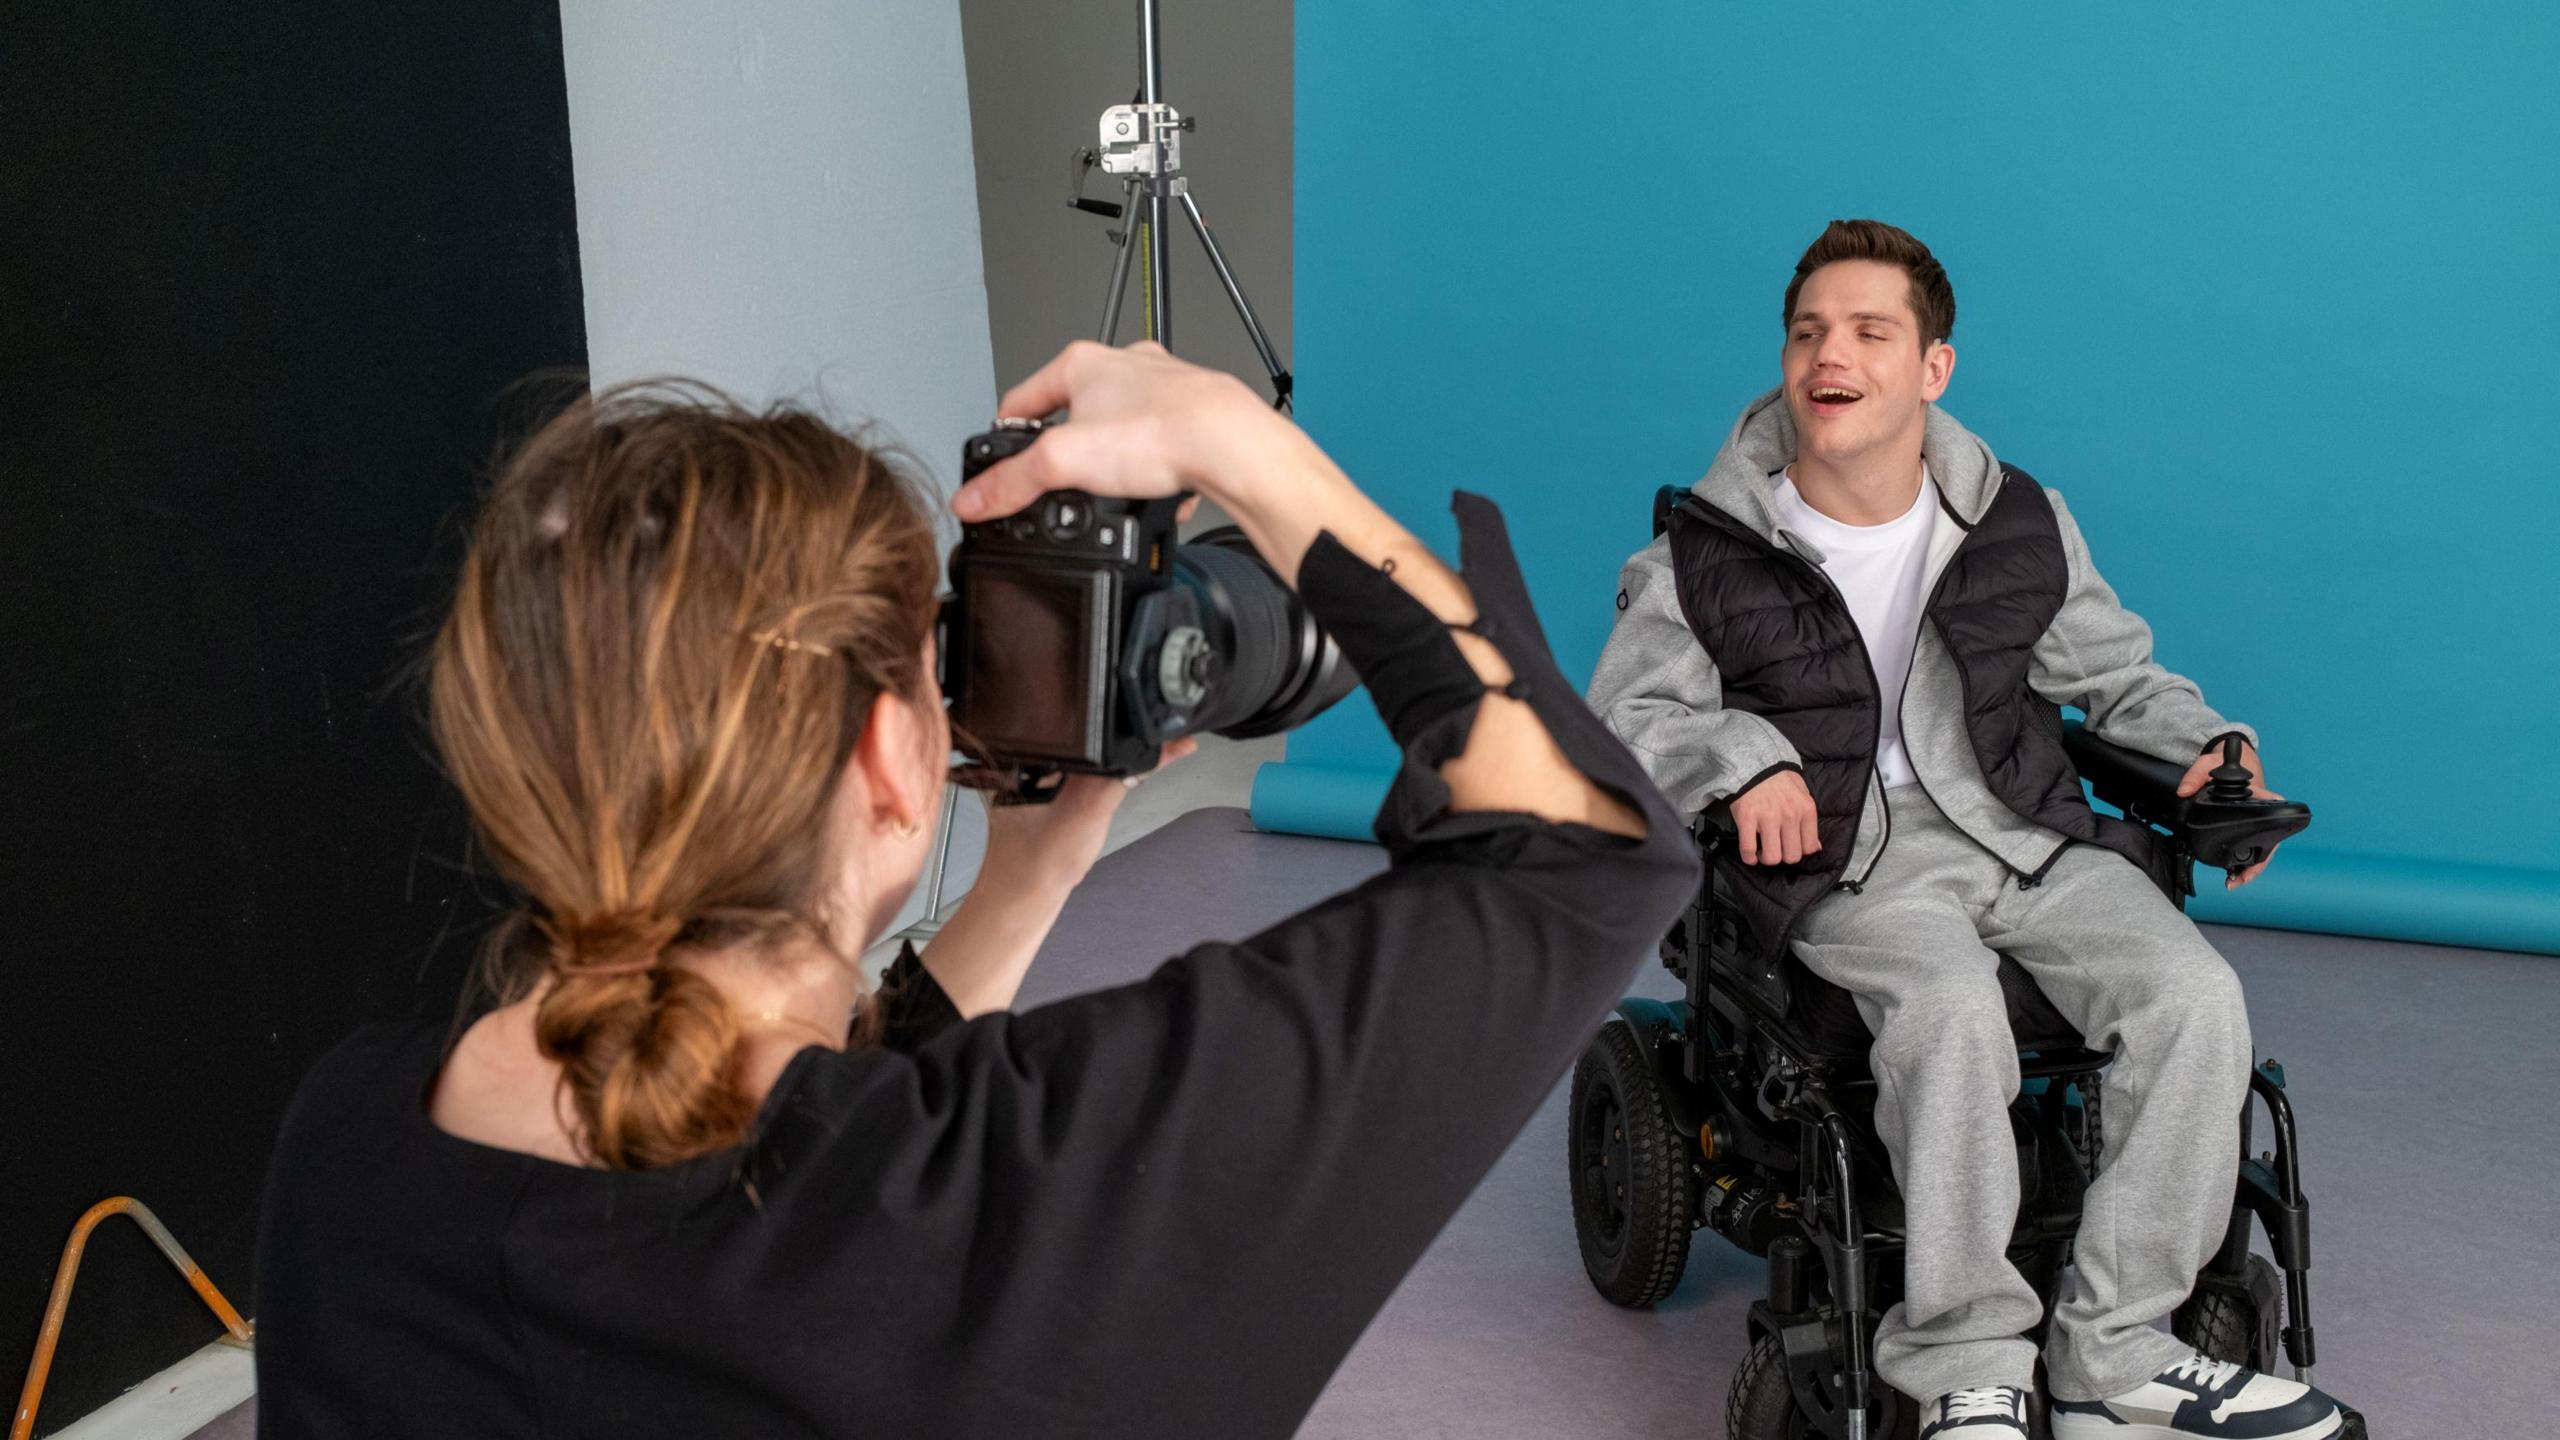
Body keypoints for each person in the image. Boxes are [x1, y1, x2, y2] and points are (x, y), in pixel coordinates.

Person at [252, 343, 1699, 1438]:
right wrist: (1247, 450)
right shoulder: (1026, 1200)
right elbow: (1583, 860)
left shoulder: (344, 1148)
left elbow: (818, 1183)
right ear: (895, 753)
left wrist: (1033, 874)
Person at [1587, 221, 2352, 1440]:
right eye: (1807, 333)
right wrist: (1741, 767)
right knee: (1947, 1012)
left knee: (2192, 997)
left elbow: (2122, 683)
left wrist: (2210, 757)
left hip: (2019, 838)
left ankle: (2113, 1352)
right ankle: (1963, 1366)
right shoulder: (1707, 549)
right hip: (1848, 862)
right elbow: (1627, 713)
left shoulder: (2013, 522)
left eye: (1868, 332)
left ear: (1932, 368)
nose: (1828, 356)